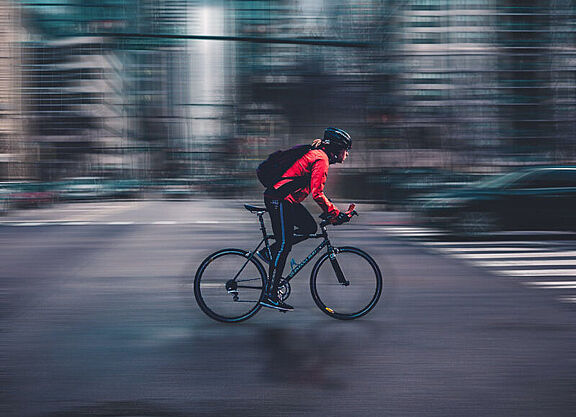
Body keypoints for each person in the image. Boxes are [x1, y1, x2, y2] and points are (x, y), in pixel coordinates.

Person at [259, 127, 352, 311]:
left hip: (286, 199)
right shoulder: (321, 159)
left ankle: (271, 252)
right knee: (285, 245)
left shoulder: (318, 155)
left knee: (309, 227)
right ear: (337, 149)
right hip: (279, 198)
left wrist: (332, 213)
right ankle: (270, 294)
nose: (347, 154)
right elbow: (317, 193)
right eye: (346, 150)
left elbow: (315, 191)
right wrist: (334, 213)